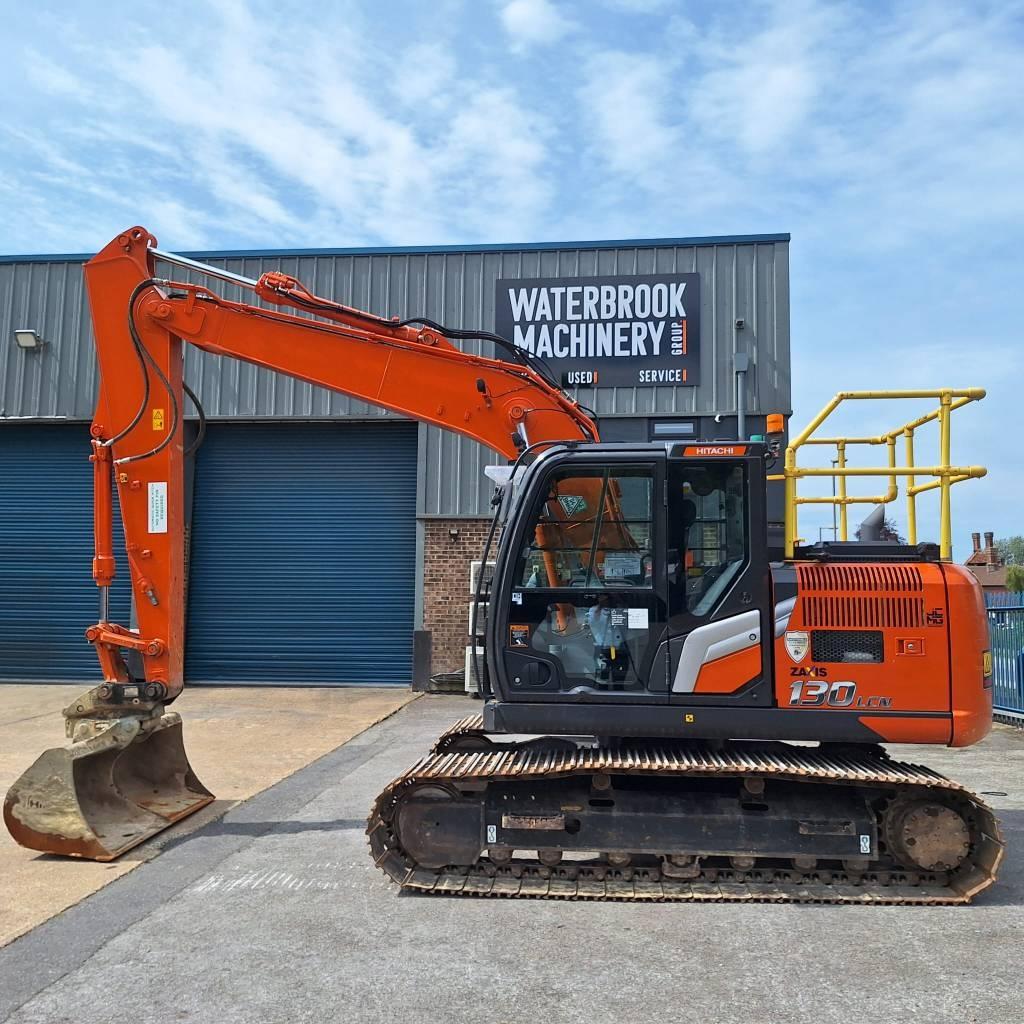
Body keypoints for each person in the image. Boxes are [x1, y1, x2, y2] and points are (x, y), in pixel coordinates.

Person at [587, 594, 629, 685]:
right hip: (603, 648)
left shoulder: (621, 610)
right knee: (602, 680)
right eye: (604, 598)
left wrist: (618, 605)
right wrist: (603, 609)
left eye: (609, 598)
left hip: (619, 649)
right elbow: (593, 625)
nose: (608, 601)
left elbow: (627, 624)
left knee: (619, 680)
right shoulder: (594, 611)